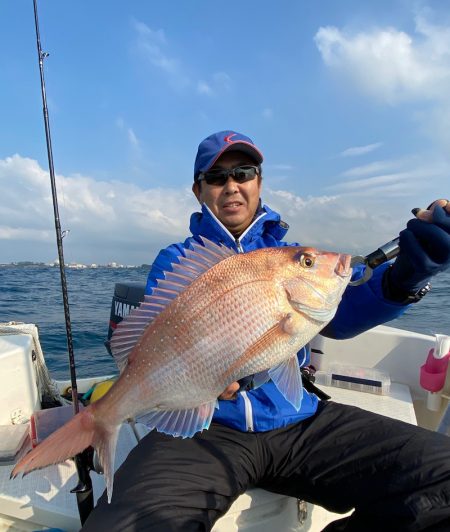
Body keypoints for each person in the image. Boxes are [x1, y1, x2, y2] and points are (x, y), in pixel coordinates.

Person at [82, 131, 450, 531]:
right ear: (198, 189)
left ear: (259, 180)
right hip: (207, 431)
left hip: (298, 420)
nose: (232, 185)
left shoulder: (288, 256)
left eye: (243, 172)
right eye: (217, 176)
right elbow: (165, 348)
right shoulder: (177, 262)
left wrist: (409, 273)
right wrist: (202, 380)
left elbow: (345, 311)